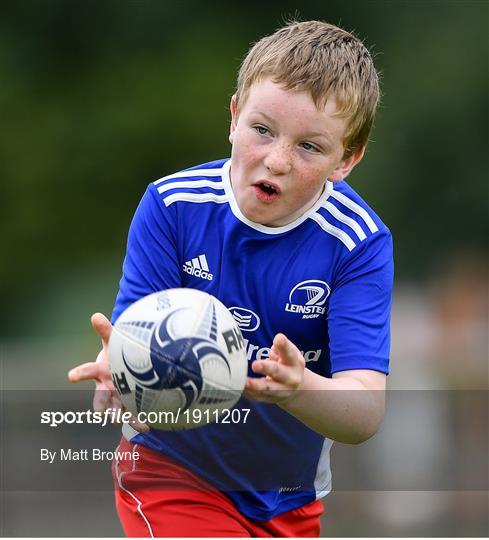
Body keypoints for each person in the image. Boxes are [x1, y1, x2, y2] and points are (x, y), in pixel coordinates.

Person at [69, 19, 393, 537]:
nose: (277, 159)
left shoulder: (358, 243)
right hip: (169, 471)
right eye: (262, 130)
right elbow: (133, 332)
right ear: (234, 118)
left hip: (287, 497)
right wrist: (119, 368)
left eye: (310, 146)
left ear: (346, 160)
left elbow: (364, 411)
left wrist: (298, 387)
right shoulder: (172, 206)